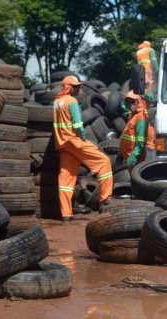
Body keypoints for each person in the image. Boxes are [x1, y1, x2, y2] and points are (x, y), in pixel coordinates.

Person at [53, 76, 113, 221]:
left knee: (66, 179)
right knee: (104, 162)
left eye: (78, 86)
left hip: (63, 144)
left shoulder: (56, 102)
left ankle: (66, 214)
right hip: (74, 141)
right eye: (75, 87)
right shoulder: (71, 101)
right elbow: (78, 125)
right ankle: (105, 201)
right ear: (68, 87)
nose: (78, 89)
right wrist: (84, 138)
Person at [120, 91, 150, 172]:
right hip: (129, 157)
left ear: (139, 102)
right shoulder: (133, 116)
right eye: (128, 102)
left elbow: (141, 140)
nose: (130, 104)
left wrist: (134, 155)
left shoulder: (140, 117)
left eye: (133, 102)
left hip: (136, 160)